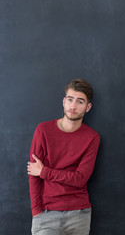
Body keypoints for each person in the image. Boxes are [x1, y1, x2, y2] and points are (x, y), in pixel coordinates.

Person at [27, 78, 100, 235]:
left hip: (79, 214)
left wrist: (44, 172)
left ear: (88, 107)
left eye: (80, 102)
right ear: (63, 101)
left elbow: (80, 178)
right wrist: (36, 211)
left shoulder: (92, 137)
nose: (73, 106)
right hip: (46, 214)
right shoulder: (43, 130)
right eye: (70, 99)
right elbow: (33, 175)